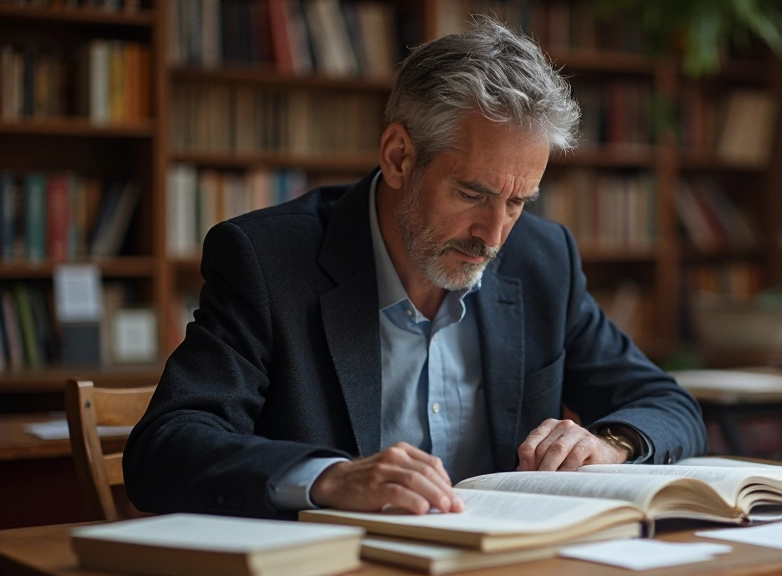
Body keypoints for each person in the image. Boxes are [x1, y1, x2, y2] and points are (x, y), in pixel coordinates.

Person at [123, 17, 706, 520]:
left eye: (517, 202)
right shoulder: (267, 260)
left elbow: (668, 404)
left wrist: (612, 443)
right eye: (473, 193)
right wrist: (328, 478)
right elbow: (164, 450)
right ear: (399, 156)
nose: (494, 235)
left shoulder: (542, 259)